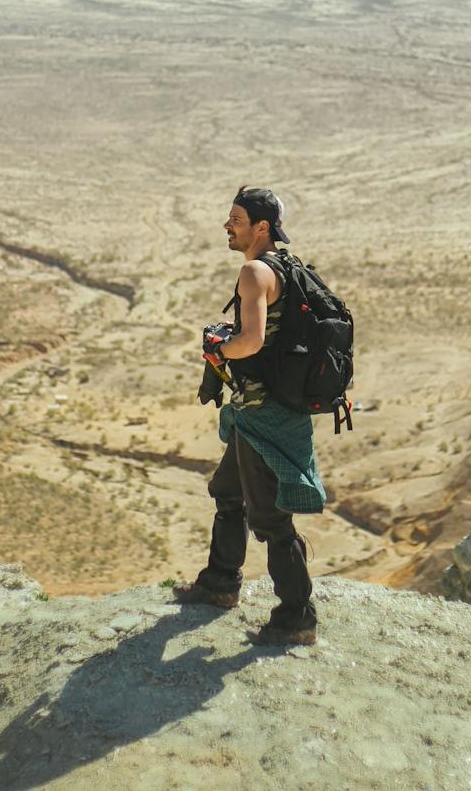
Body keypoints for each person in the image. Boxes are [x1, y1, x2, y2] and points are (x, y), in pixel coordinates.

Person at [172, 185, 325, 646]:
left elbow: (253, 341)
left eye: (235, 219)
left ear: (261, 227)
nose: (227, 226)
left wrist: (220, 346)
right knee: (227, 493)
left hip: (262, 413)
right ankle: (219, 582)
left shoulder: (255, 272)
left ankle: (297, 615)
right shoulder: (290, 267)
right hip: (262, 409)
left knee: (271, 519)